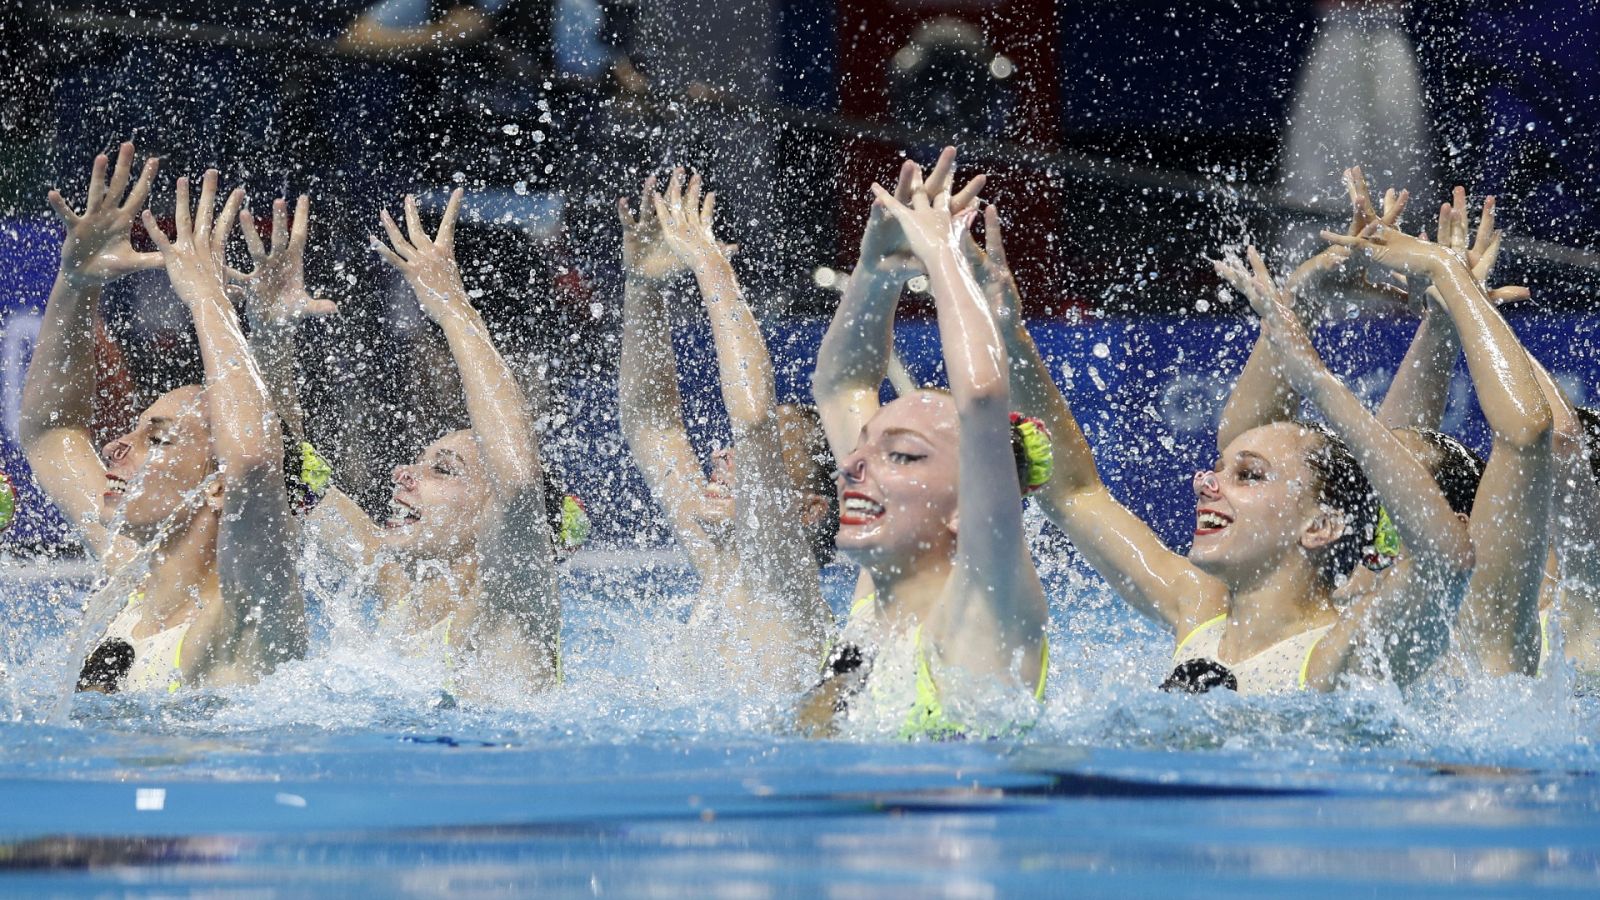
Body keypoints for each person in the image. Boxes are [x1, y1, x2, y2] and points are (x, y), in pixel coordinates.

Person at [20, 144, 306, 693]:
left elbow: (250, 461)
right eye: (133, 429)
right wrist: (76, 282)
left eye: (160, 438)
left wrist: (204, 293)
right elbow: (51, 431)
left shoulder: (244, 617)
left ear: (215, 488)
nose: (115, 447)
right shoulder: (128, 568)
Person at [806, 156, 1049, 737]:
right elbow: (844, 386)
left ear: (970, 504)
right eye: (863, 450)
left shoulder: (983, 607)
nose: (854, 467)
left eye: (903, 455)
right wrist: (877, 269)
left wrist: (942, 254)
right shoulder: (880, 592)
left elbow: (985, 400)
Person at [286, 189, 562, 696]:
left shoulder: (508, 607)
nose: (402, 474)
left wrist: (453, 309)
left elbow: (519, 479)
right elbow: (288, 473)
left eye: (444, 469)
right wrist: (268, 331)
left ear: (491, 513)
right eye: (419, 461)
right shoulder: (396, 590)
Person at [1345, 189, 1598, 675]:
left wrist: (1461, 288)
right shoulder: (1379, 586)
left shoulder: (1585, 615)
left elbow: (1555, 441)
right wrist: (1445, 314)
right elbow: (1397, 454)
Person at [617, 169, 834, 688]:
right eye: (735, 450)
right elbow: (652, 423)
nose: (724, 455)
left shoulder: (787, 580)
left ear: (806, 511)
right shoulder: (720, 562)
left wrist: (711, 266)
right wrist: (644, 285)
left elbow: (754, 418)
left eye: (765, 461)